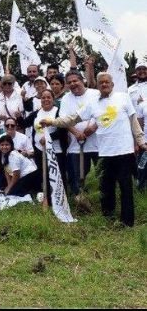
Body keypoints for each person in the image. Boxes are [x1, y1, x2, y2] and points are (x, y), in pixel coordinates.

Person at [41, 72, 147, 227]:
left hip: (124, 151)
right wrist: (52, 121)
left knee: (126, 187)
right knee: (106, 187)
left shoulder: (123, 97)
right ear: (97, 85)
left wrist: (140, 141)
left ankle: (127, 221)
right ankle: (108, 217)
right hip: (104, 152)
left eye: (106, 82)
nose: (104, 85)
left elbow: (134, 122)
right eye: (101, 82)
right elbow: (72, 119)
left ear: (112, 84)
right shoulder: (93, 104)